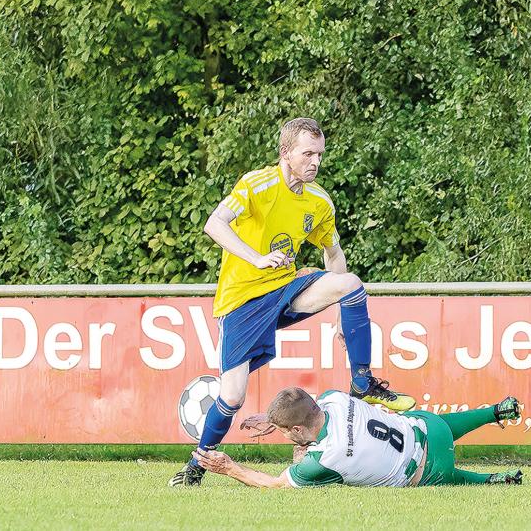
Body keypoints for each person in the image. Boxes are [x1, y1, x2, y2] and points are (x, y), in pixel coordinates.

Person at [170, 118, 415, 487]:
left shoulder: (318, 201)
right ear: (285, 153)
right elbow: (214, 223)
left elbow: (334, 255)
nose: (315, 161)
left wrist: (340, 313)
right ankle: (197, 465)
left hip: (285, 290)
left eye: (319, 154)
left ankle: (362, 382)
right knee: (232, 395)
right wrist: (256, 258)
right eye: (307, 153)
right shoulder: (257, 183)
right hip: (242, 301)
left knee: (350, 283)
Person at [192, 387, 524, 488]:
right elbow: (305, 406)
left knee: (448, 477)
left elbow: (276, 484)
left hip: (430, 469)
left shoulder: (323, 460)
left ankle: (493, 479)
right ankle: (496, 410)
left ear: (296, 430)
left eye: (282, 430)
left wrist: (230, 468)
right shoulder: (334, 398)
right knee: (431, 423)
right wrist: (274, 418)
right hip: (428, 428)